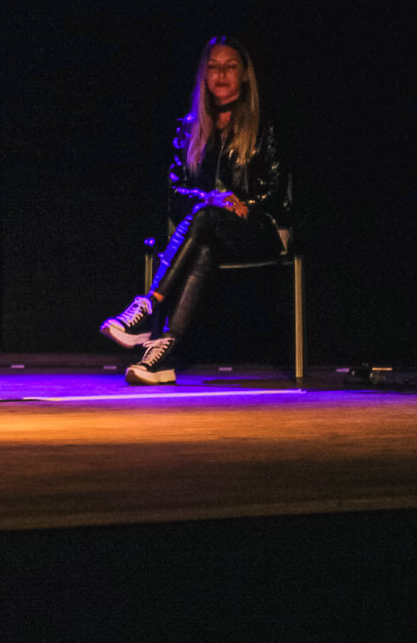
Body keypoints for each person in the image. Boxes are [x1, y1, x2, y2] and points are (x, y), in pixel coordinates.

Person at [100, 36, 292, 384]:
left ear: (244, 74)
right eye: (213, 67)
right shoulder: (189, 127)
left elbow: (277, 192)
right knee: (204, 241)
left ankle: (149, 304)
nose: (221, 74)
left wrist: (243, 205)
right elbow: (175, 194)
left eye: (230, 67)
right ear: (204, 75)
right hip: (207, 233)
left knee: (204, 218)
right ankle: (161, 359)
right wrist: (212, 199)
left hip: (256, 231)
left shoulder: (264, 125)